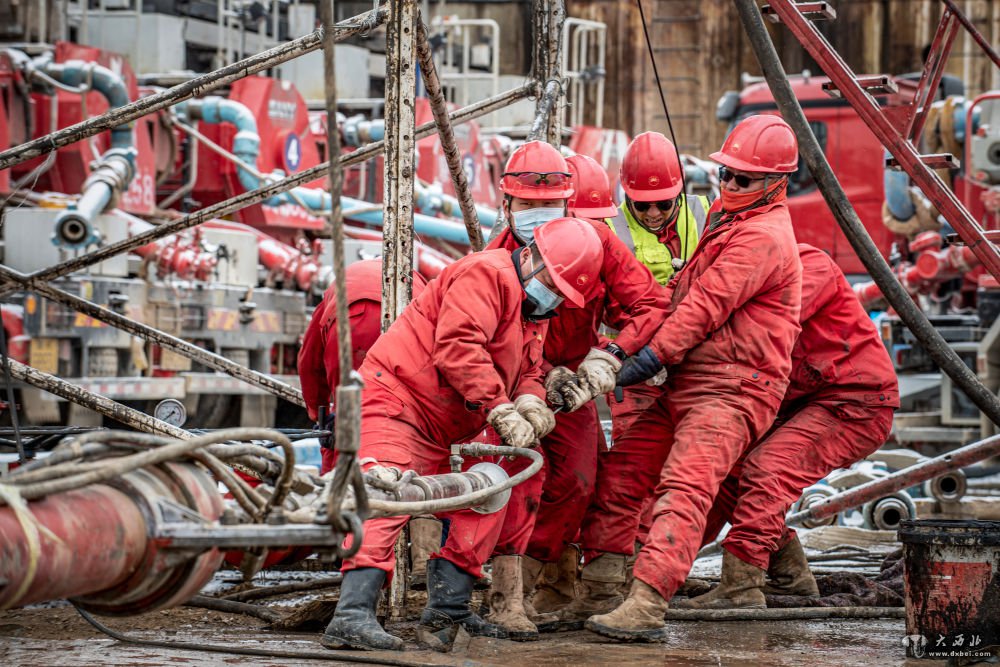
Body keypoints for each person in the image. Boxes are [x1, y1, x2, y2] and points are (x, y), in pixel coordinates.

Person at [569, 114, 804, 642]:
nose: (729, 185)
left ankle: (648, 603)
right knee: (624, 475)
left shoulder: (760, 237)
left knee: (685, 488)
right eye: (726, 175)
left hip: (732, 389)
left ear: (775, 184)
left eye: (743, 179)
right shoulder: (730, 219)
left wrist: (639, 361)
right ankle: (602, 586)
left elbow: (701, 307)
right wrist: (620, 352)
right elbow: (676, 300)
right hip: (689, 380)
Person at [321, 217, 605, 652]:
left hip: (447, 422)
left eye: (562, 293)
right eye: (552, 283)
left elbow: (528, 369)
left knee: (491, 488)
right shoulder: (486, 274)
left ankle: (448, 608)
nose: (553, 297)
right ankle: (352, 615)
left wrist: (530, 399)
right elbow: (458, 347)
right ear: (529, 257)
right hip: (399, 401)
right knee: (388, 491)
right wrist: (500, 407)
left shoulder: (536, 310)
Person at [481, 147, 667, 639]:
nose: (536, 216)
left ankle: (551, 577)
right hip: (514, 382)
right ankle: (508, 594)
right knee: (517, 481)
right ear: (507, 204)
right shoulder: (495, 259)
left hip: (574, 382)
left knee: (580, 481)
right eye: (526, 204)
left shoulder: (599, 242)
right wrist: (520, 390)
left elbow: (650, 303)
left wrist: (611, 354)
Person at [677, 244, 899, 609]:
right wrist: (664, 568)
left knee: (768, 470)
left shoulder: (808, 266)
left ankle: (741, 586)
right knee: (728, 471)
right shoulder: (733, 279)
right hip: (803, 401)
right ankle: (790, 576)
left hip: (854, 404)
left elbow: (765, 326)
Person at [605, 133, 713, 445]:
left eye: (664, 204)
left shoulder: (708, 214)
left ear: (679, 191)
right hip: (633, 369)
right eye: (641, 205)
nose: (653, 214)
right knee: (633, 459)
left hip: (695, 364)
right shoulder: (609, 229)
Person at [297, 259, 427, 474]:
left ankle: (337, 487)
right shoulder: (417, 281)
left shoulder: (341, 281)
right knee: (399, 413)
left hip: (347, 322)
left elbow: (309, 360)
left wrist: (319, 412)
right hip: (406, 326)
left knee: (345, 417)